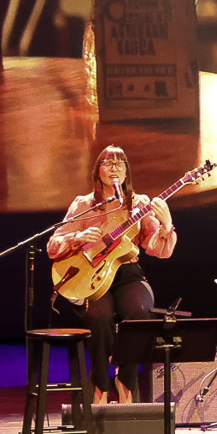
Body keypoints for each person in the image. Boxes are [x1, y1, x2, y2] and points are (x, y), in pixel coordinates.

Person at [47, 146, 176, 402]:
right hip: (92, 277)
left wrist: (166, 225)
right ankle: (100, 384)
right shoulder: (83, 204)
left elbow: (158, 250)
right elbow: (53, 245)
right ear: (98, 171)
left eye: (120, 163)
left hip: (127, 271)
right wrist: (78, 237)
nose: (114, 167)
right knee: (99, 316)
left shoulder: (140, 204)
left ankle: (125, 378)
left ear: (127, 171)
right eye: (108, 163)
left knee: (140, 312)